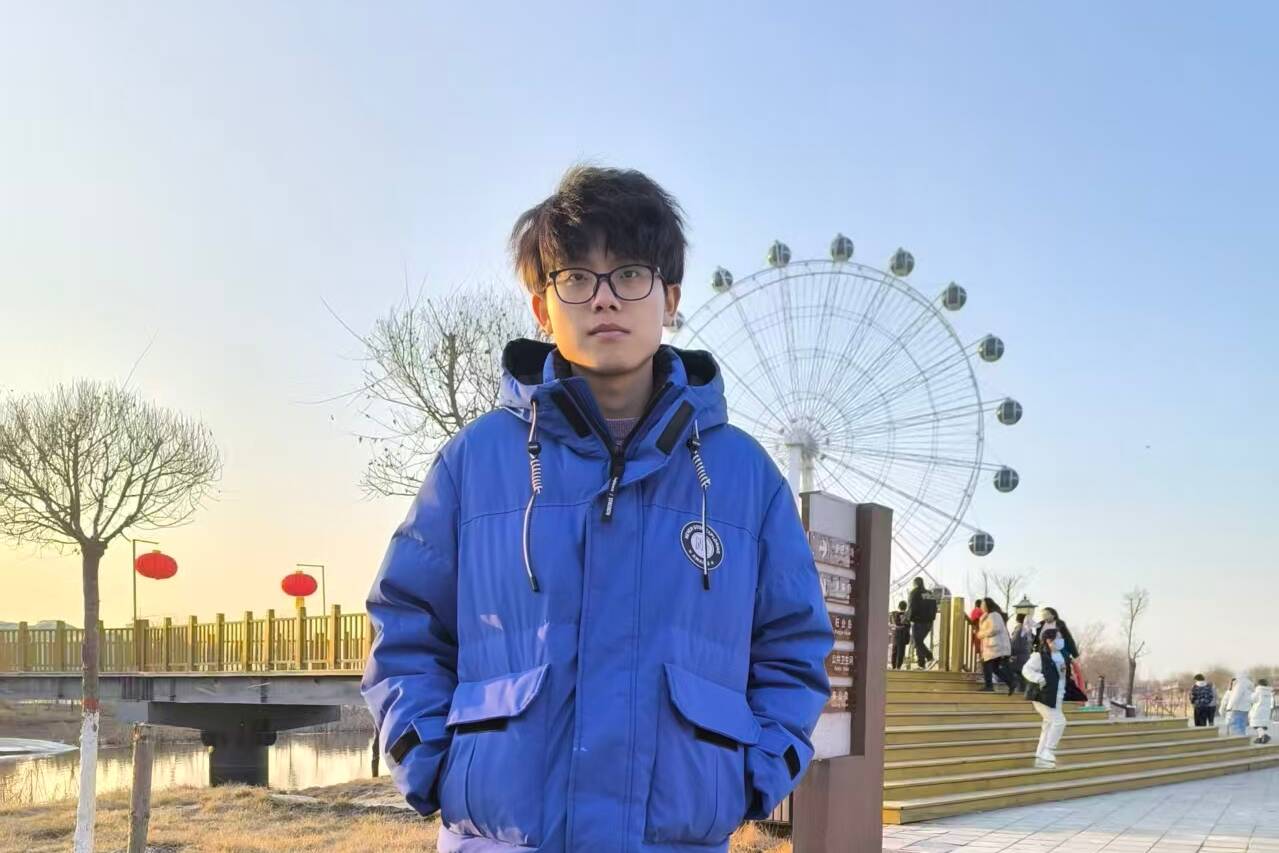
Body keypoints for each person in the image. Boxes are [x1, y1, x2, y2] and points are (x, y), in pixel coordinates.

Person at [361, 166, 835, 852]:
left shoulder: (743, 477)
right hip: (497, 837)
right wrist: (426, 756)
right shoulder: (474, 462)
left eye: (631, 273)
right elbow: (405, 621)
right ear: (541, 306)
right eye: (577, 277)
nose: (605, 297)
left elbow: (792, 644)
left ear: (670, 298)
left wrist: (755, 774)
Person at [1022, 627, 1069, 768]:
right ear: (1049, 640)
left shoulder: (1060, 656)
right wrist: (1038, 678)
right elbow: (1026, 670)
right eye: (1058, 637)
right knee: (1059, 721)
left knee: (1048, 724)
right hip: (1043, 695)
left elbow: (1061, 676)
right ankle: (1048, 751)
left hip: (1057, 695)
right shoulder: (1039, 656)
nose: (1061, 640)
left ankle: (1040, 755)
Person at [977, 598, 1016, 695]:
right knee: (994, 668)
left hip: (996, 646)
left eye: (983, 604)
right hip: (992, 646)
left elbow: (995, 628)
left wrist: (982, 634)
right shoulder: (986, 616)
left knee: (987, 664)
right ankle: (1011, 682)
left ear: (987, 605)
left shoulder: (994, 615)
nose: (981, 606)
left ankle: (989, 686)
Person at [907, 577, 938, 669]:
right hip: (928, 622)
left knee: (917, 642)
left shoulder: (914, 592)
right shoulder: (929, 593)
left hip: (918, 621)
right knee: (919, 642)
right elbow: (934, 607)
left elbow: (912, 607)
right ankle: (921, 663)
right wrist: (932, 618)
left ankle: (928, 656)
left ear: (915, 584)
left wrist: (910, 618)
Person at [1009, 613, 1033, 691]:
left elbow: (1014, 643)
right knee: (1023, 674)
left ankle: (1019, 692)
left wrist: (1010, 653)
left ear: (1017, 620)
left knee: (1017, 674)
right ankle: (1024, 691)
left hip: (1018, 656)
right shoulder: (1028, 629)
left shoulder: (1019, 629)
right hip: (1026, 655)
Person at [1250, 679, 1274, 744]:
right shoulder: (1269, 691)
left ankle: (1264, 735)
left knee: (1256, 725)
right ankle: (1260, 738)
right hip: (1266, 710)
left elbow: (1252, 699)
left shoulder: (1258, 690)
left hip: (1258, 710)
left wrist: (1252, 693)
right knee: (1261, 724)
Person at [890, 601, 910, 670]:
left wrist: (896, 626)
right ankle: (898, 667)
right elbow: (907, 626)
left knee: (894, 651)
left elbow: (895, 624)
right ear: (906, 607)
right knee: (901, 652)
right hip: (903, 636)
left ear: (899, 606)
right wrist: (903, 626)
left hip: (896, 635)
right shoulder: (907, 616)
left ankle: (893, 667)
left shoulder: (894, 614)